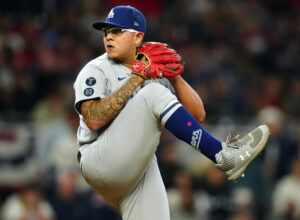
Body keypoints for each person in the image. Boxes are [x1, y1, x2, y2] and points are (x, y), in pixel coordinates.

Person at [73, 5, 270, 220]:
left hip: (135, 172)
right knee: (153, 92)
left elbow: (198, 114)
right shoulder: (97, 69)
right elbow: (93, 119)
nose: (109, 37)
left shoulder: (150, 68)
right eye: (106, 31)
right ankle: (223, 155)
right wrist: (138, 77)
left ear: (138, 37)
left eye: (117, 31)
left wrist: (174, 75)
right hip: (98, 158)